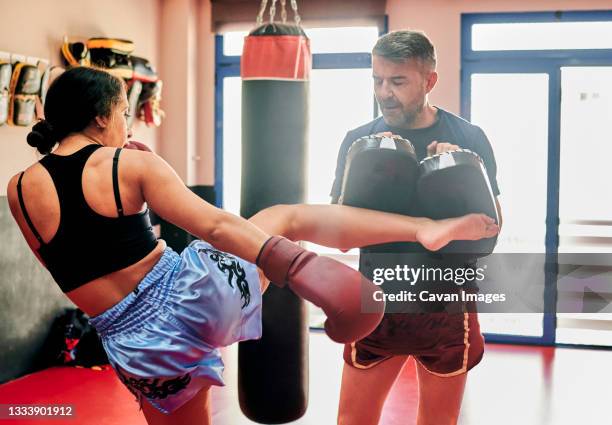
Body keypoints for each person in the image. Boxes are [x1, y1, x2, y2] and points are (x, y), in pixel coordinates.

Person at [6, 66, 498, 425]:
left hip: (132, 345)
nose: (127, 127)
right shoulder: (126, 166)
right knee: (288, 216)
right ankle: (419, 227)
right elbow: (216, 227)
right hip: (191, 304)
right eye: (122, 115)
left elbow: (72, 263)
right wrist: (293, 263)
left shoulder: (18, 189)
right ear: (98, 118)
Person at [331, 30, 503, 425]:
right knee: (352, 420)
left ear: (429, 81)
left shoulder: (467, 138)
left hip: (446, 305)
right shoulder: (359, 141)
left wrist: (460, 176)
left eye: (398, 81)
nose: (384, 92)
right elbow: (339, 232)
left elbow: (492, 229)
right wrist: (373, 174)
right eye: (377, 80)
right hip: (376, 303)